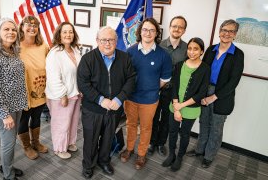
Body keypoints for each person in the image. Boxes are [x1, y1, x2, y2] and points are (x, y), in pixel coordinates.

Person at [77, 26, 136, 179]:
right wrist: (100, 99)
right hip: (93, 109)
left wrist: (119, 98)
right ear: (97, 41)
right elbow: (83, 83)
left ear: (116, 42)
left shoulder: (125, 58)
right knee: (90, 139)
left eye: (111, 40)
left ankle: (104, 161)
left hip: (114, 108)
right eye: (103, 40)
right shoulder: (88, 59)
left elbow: (131, 79)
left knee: (108, 138)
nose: (107, 43)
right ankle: (88, 165)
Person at [186, 19, 244, 168]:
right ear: (219, 32)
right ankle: (199, 150)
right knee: (203, 123)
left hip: (222, 96)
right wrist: (201, 94)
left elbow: (233, 82)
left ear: (235, 35)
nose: (227, 33)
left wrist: (214, 97)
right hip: (205, 92)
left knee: (216, 129)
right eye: (224, 30)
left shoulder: (238, 55)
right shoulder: (211, 50)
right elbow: (202, 72)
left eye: (231, 31)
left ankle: (209, 156)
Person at [120, 18, 172, 170]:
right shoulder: (130, 51)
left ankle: (141, 154)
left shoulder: (163, 55)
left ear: (156, 33)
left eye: (152, 30)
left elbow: (165, 78)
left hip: (149, 99)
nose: (148, 33)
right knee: (130, 124)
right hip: (130, 98)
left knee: (146, 127)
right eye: (145, 29)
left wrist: (150, 88)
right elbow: (124, 74)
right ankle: (129, 149)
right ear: (139, 32)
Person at [0, 18, 27, 180]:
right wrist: (4, 114)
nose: (11, 32)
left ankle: (6, 165)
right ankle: (8, 175)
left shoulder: (13, 52)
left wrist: (23, 102)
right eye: (6, 29)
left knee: (11, 140)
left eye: (13, 29)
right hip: (2, 108)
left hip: (16, 104)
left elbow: (17, 80)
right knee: (8, 142)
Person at [161, 37, 210, 171]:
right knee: (172, 131)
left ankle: (180, 157)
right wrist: (176, 107)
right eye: (189, 48)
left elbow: (201, 93)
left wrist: (181, 107)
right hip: (175, 106)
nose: (192, 52)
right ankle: (171, 154)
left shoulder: (205, 69)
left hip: (191, 108)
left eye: (196, 49)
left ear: (201, 52)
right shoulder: (179, 65)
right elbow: (175, 86)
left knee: (184, 134)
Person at [149, 16, 188, 157]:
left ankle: (160, 143)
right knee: (153, 117)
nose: (177, 29)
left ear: (184, 30)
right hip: (157, 88)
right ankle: (152, 142)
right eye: (174, 26)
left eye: (180, 27)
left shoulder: (186, 49)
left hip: (173, 91)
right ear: (170, 27)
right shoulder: (159, 45)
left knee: (167, 119)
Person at [45, 22, 82, 159]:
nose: (68, 35)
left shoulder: (75, 50)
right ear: (59, 35)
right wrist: (62, 95)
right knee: (61, 123)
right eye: (65, 32)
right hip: (61, 95)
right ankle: (59, 148)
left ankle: (70, 142)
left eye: (70, 32)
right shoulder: (55, 53)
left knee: (73, 121)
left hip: (75, 93)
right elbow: (53, 77)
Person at [17, 15, 49, 160]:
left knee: (36, 117)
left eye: (35, 25)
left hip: (40, 88)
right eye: (28, 25)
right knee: (24, 118)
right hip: (23, 90)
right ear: (22, 27)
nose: (32, 28)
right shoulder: (15, 46)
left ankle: (35, 142)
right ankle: (26, 146)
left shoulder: (43, 46)